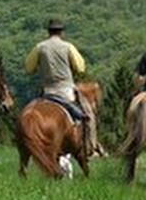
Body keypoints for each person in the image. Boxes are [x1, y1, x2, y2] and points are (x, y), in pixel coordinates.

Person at [24, 17, 96, 155]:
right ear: (61, 31)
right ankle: (91, 147)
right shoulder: (68, 46)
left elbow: (28, 68)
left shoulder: (39, 47)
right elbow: (80, 67)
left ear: (48, 31)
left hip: (47, 91)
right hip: (66, 90)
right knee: (88, 114)